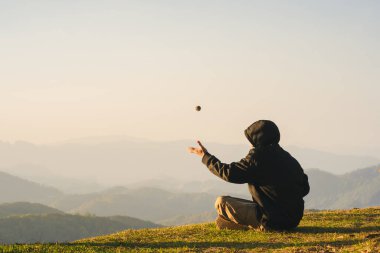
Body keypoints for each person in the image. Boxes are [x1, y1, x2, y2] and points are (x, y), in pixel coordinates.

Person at [188, 120, 310, 231]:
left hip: (271, 221)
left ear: (258, 140)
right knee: (245, 207)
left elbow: (228, 173)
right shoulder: (289, 158)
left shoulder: (257, 158)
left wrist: (205, 156)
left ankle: (253, 225)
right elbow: (305, 189)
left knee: (221, 202)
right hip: (293, 220)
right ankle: (240, 223)